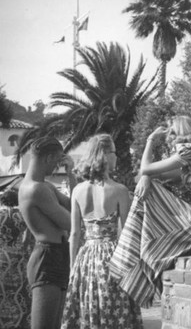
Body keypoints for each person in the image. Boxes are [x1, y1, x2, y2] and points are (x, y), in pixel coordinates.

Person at [109, 116, 191, 307]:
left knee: (149, 193)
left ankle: (128, 258)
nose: (169, 139)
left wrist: (150, 140)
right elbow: (152, 173)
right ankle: (138, 259)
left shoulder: (190, 150)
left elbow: (145, 168)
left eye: (171, 134)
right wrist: (147, 177)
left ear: (179, 133)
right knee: (150, 183)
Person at [60, 134, 143, 328]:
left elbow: (74, 234)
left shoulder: (78, 191)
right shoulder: (120, 190)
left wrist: (73, 269)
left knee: (88, 309)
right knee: (116, 311)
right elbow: (127, 233)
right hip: (113, 257)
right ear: (105, 155)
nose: (117, 157)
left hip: (86, 258)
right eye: (113, 152)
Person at [18, 136, 76, 329]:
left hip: (56, 255)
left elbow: (75, 206)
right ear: (48, 157)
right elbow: (71, 221)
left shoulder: (45, 186)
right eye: (57, 161)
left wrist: (71, 175)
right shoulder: (36, 189)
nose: (57, 166)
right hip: (47, 258)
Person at [0, 187, 33, 329]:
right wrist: (22, 249)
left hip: (1, 257)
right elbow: (29, 239)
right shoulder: (22, 215)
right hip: (19, 259)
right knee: (20, 294)